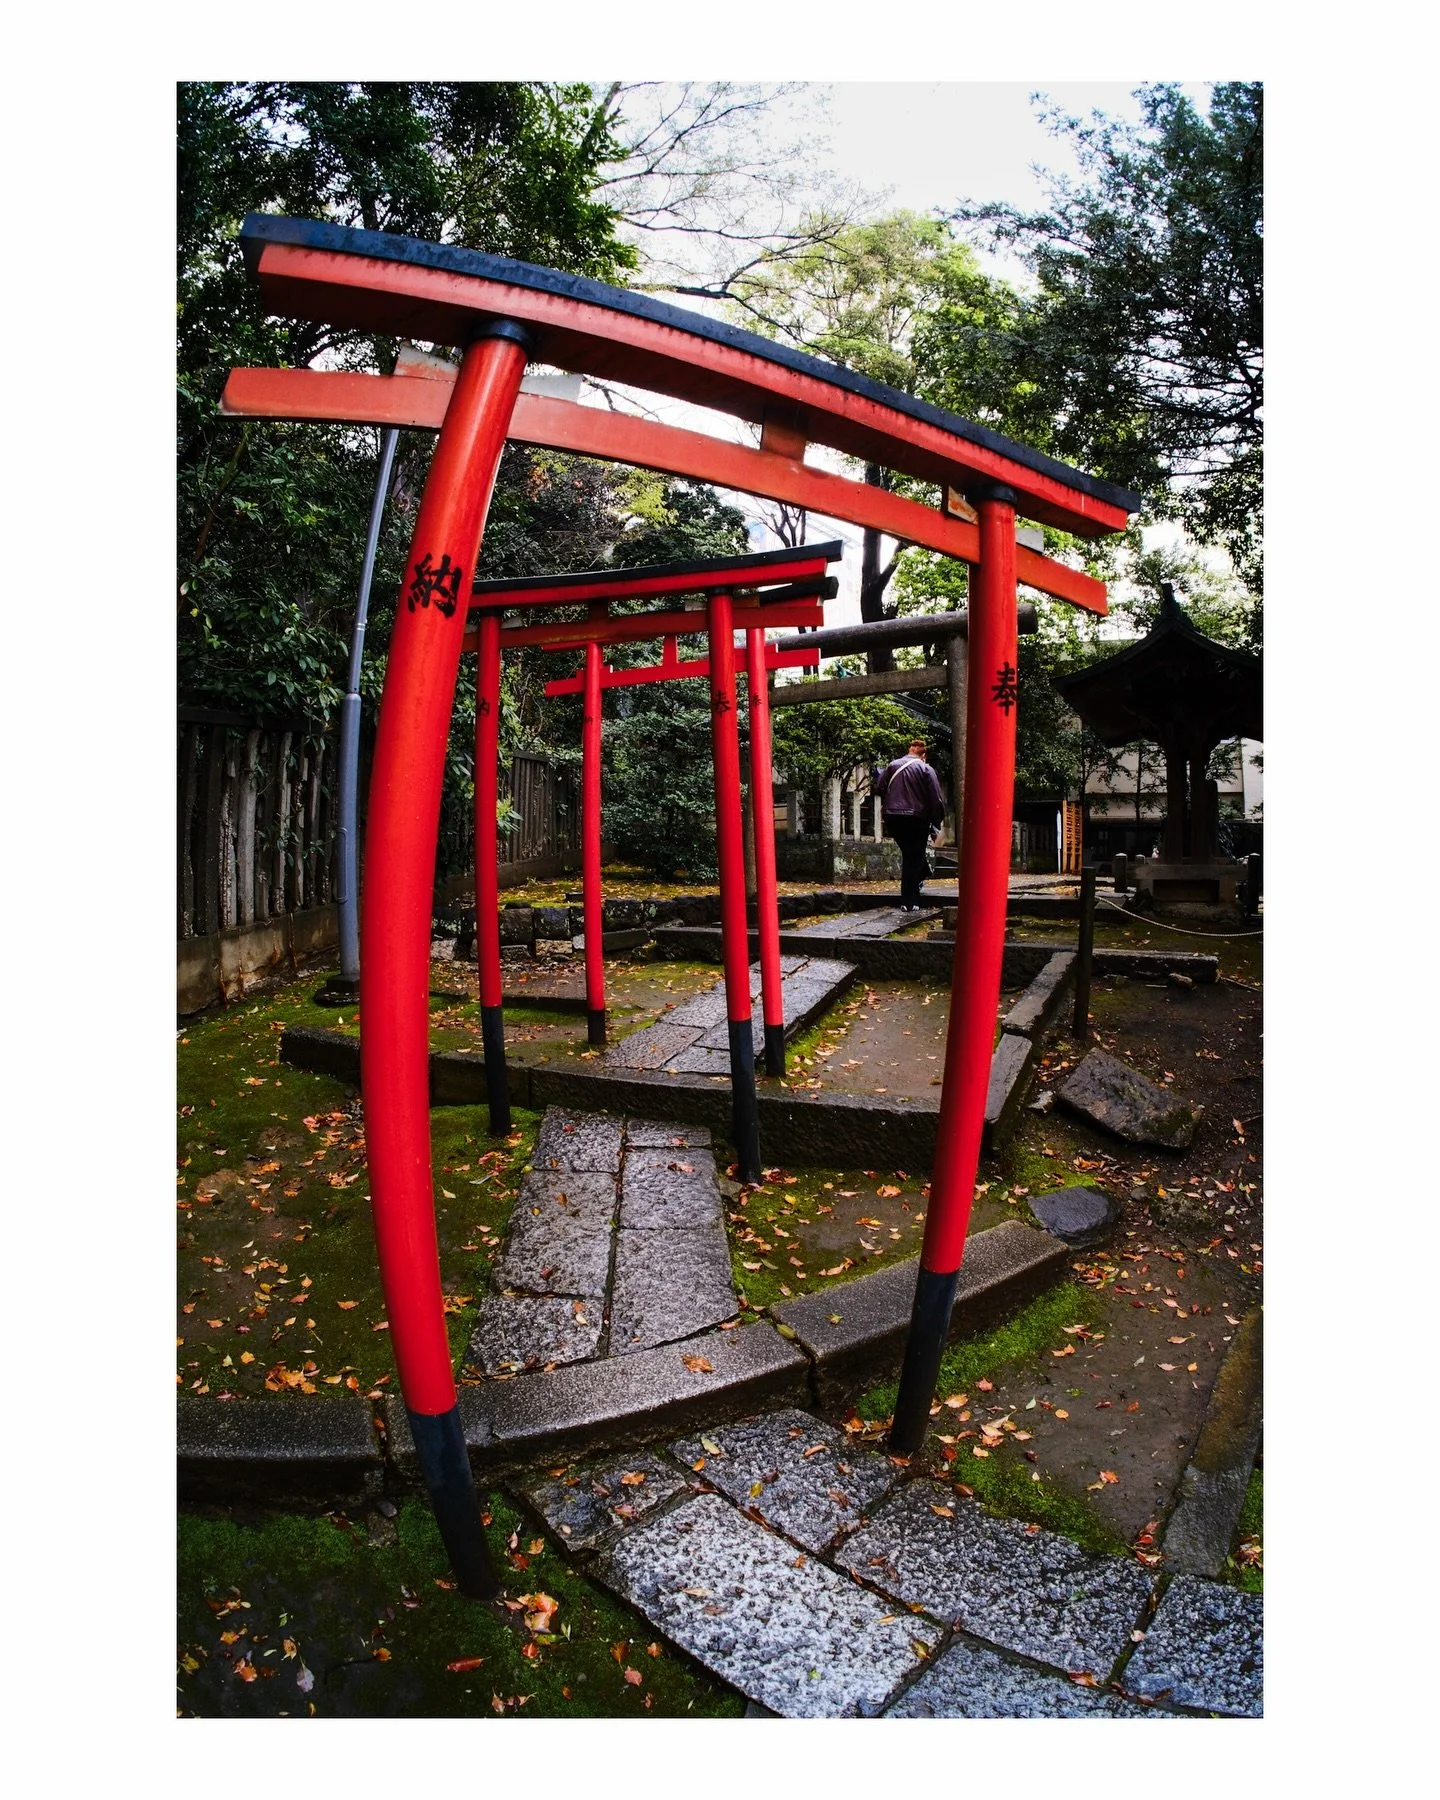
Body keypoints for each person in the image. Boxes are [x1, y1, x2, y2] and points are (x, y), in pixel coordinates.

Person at [876, 739, 945, 910]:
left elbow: (879, 788)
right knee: (913, 857)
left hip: (893, 817)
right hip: (917, 817)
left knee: (910, 854)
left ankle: (918, 881)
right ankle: (909, 901)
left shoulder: (892, 765)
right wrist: (936, 824)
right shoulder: (926, 769)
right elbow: (936, 799)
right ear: (924, 755)